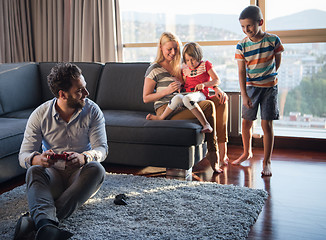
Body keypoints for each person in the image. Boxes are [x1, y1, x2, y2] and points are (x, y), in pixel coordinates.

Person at [14, 63, 108, 240]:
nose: (87, 94)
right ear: (62, 94)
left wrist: (84, 157)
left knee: (97, 169)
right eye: (80, 90)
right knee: (34, 171)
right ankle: (46, 227)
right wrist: (38, 160)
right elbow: (23, 156)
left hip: (80, 177)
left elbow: (102, 149)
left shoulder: (92, 110)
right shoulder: (39, 114)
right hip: (53, 175)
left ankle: (41, 223)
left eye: (85, 87)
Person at [143, 32, 228, 172]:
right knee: (208, 105)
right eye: (169, 49)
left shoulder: (181, 67)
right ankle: (213, 154)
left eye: (176, 49)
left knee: (221, 101)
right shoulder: (154, 69)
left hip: (183, 104)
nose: (173, 52)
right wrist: (166, 91)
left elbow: (198, 80)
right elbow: (146, 98)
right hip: (166, 109)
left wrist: (217, 88)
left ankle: (223, 147)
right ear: (160, 47)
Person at [232, 6, 284, 176]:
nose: (246, 30)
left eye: (250, 26)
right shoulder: (242, 46)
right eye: (243, 27)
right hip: (251, 88)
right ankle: (247, 152)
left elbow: (277, 60)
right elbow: (241, 71)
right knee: (246, 122)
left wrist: (269, 75)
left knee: (266, 124)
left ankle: (267, 161)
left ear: (260, 22)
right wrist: (244, 94)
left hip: (269, 88)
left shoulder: (273, 40)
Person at [146, 42, 221, 133]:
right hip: (186, 95)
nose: (190, 63)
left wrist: (211, 87)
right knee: (177, 97)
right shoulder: (185, 67)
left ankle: (206, 125)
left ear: (198, 56)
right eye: (188, 61)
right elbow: (184, 81)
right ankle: (161, 118)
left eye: (192, 60)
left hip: (199, 94)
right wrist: (177, 84)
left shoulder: (205, 65)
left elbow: (216, 80)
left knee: (189, 99)